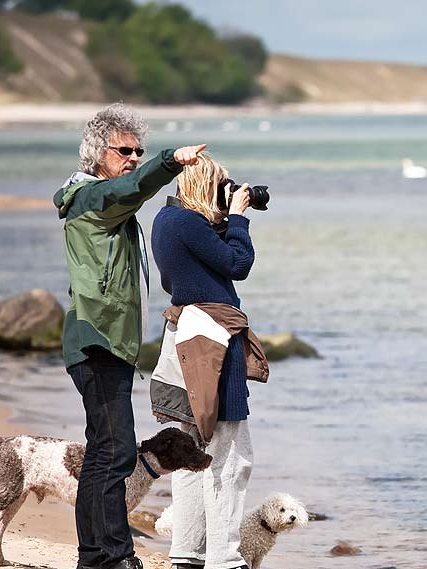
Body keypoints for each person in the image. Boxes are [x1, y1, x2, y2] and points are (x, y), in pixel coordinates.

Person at [56, 103, 206, 569]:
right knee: (118, 451)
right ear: (99, 153)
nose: (134, 158)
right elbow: (131, 187)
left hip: (108, 344)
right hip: (96, 340)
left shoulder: (105, 200)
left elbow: (130, 188)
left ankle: (94, 558)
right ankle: (114, 557)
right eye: (126, 150)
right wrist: (168, 161)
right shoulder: (92, 200)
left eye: (140, 151)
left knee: (104, 451)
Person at [148, 154, 266, 569]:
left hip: (185, 339)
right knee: (231, 455)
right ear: (205, 186)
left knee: (191, 450)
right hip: (215, 342)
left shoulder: (166, 221)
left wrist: (221, 218)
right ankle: (225, 559)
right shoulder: (189, 224)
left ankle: (187, 552)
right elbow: (238, 264)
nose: (227, 191)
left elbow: (176, 278)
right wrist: (238, 218)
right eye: (221, 184)